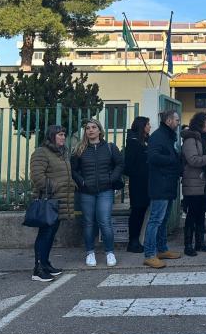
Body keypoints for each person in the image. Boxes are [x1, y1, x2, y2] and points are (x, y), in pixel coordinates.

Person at [72, 119, 124, 268]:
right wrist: (81, 181)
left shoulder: (109, 147)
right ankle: (90, 253)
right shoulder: (79, 149)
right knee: (88, 223)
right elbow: (73, 169)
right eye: (87, 128)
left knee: (105, 221)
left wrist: (111, 179)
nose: (90, 130)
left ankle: (109, 252)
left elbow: (120, 164)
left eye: (94, 127)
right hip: (86, 192)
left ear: (99, 130)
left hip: (105, 190)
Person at [29, 125, 73, 282]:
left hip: (59, 201)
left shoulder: (62, 153)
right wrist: (55, 187)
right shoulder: (41, 152)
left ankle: (46, 264)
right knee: (45, 234)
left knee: (50, 234)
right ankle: (38, 269)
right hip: (48, 201)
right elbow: (37, 176)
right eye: (60, 135)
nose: (63, 137)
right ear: (52, 136)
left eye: (64, 135)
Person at [144, 110, 183, 269]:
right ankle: (149, 254)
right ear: (168, 121)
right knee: (155, 220)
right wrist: (173, 160)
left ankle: (162, 249)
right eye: (176, 120)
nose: (178, 122)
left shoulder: (167, 136)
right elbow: (152, 157)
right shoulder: (158, 136)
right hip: (160, 184)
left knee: (164, 219)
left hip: (167, 184)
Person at [181, 113, 206, 257]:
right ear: (199, 124)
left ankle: (200, 243)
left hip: (203, 181)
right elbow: (193, 160)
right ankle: (188, 245)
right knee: (192, 215)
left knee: (201, 214)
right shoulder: (190, 139)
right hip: (192, 181)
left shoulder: (205, 138)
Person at [124, 116, 151, 254]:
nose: (149, 127)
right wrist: (141, 172)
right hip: (138, 184)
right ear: (142, 126)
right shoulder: (133, 142)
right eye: (147, 124)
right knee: (137, 212)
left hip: (146, 183)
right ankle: (133, 241)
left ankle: (138, 240)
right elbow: (128, 166)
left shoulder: (146, 141)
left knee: (142, 212)